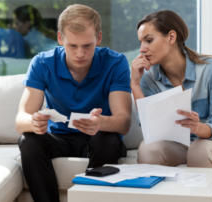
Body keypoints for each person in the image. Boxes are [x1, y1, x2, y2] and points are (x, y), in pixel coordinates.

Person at [15, 4, 132, 202]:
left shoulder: (116, 62)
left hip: (98, 139)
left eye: (87, 46)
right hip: (58, 139)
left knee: (108, 137)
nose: (80, 54)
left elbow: (124, 122)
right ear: (60, 39)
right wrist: (34, 121)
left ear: (99, 38)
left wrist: (101, 122)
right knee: (29, 139)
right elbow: (20, 121)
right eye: (72, 46)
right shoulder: (42, 63)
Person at [131, 10, 212, 168]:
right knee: (148, 149)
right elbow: (149, 129)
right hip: (179, 146)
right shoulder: (148, 78)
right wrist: (135, 85)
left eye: (148, 40)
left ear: (171, 37)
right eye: (141, 42)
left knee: (199, 150)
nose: (142, 49)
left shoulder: (211, 70)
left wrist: (198, 127)